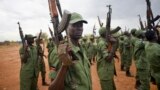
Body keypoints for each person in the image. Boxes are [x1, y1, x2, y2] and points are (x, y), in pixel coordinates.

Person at [48, 12, 92, 90]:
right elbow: (53, 88)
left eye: (80, 25)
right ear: (66, 27)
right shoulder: (59, 51)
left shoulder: (81, 48)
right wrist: (65, 65)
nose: (79, 28)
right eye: (75, 25)